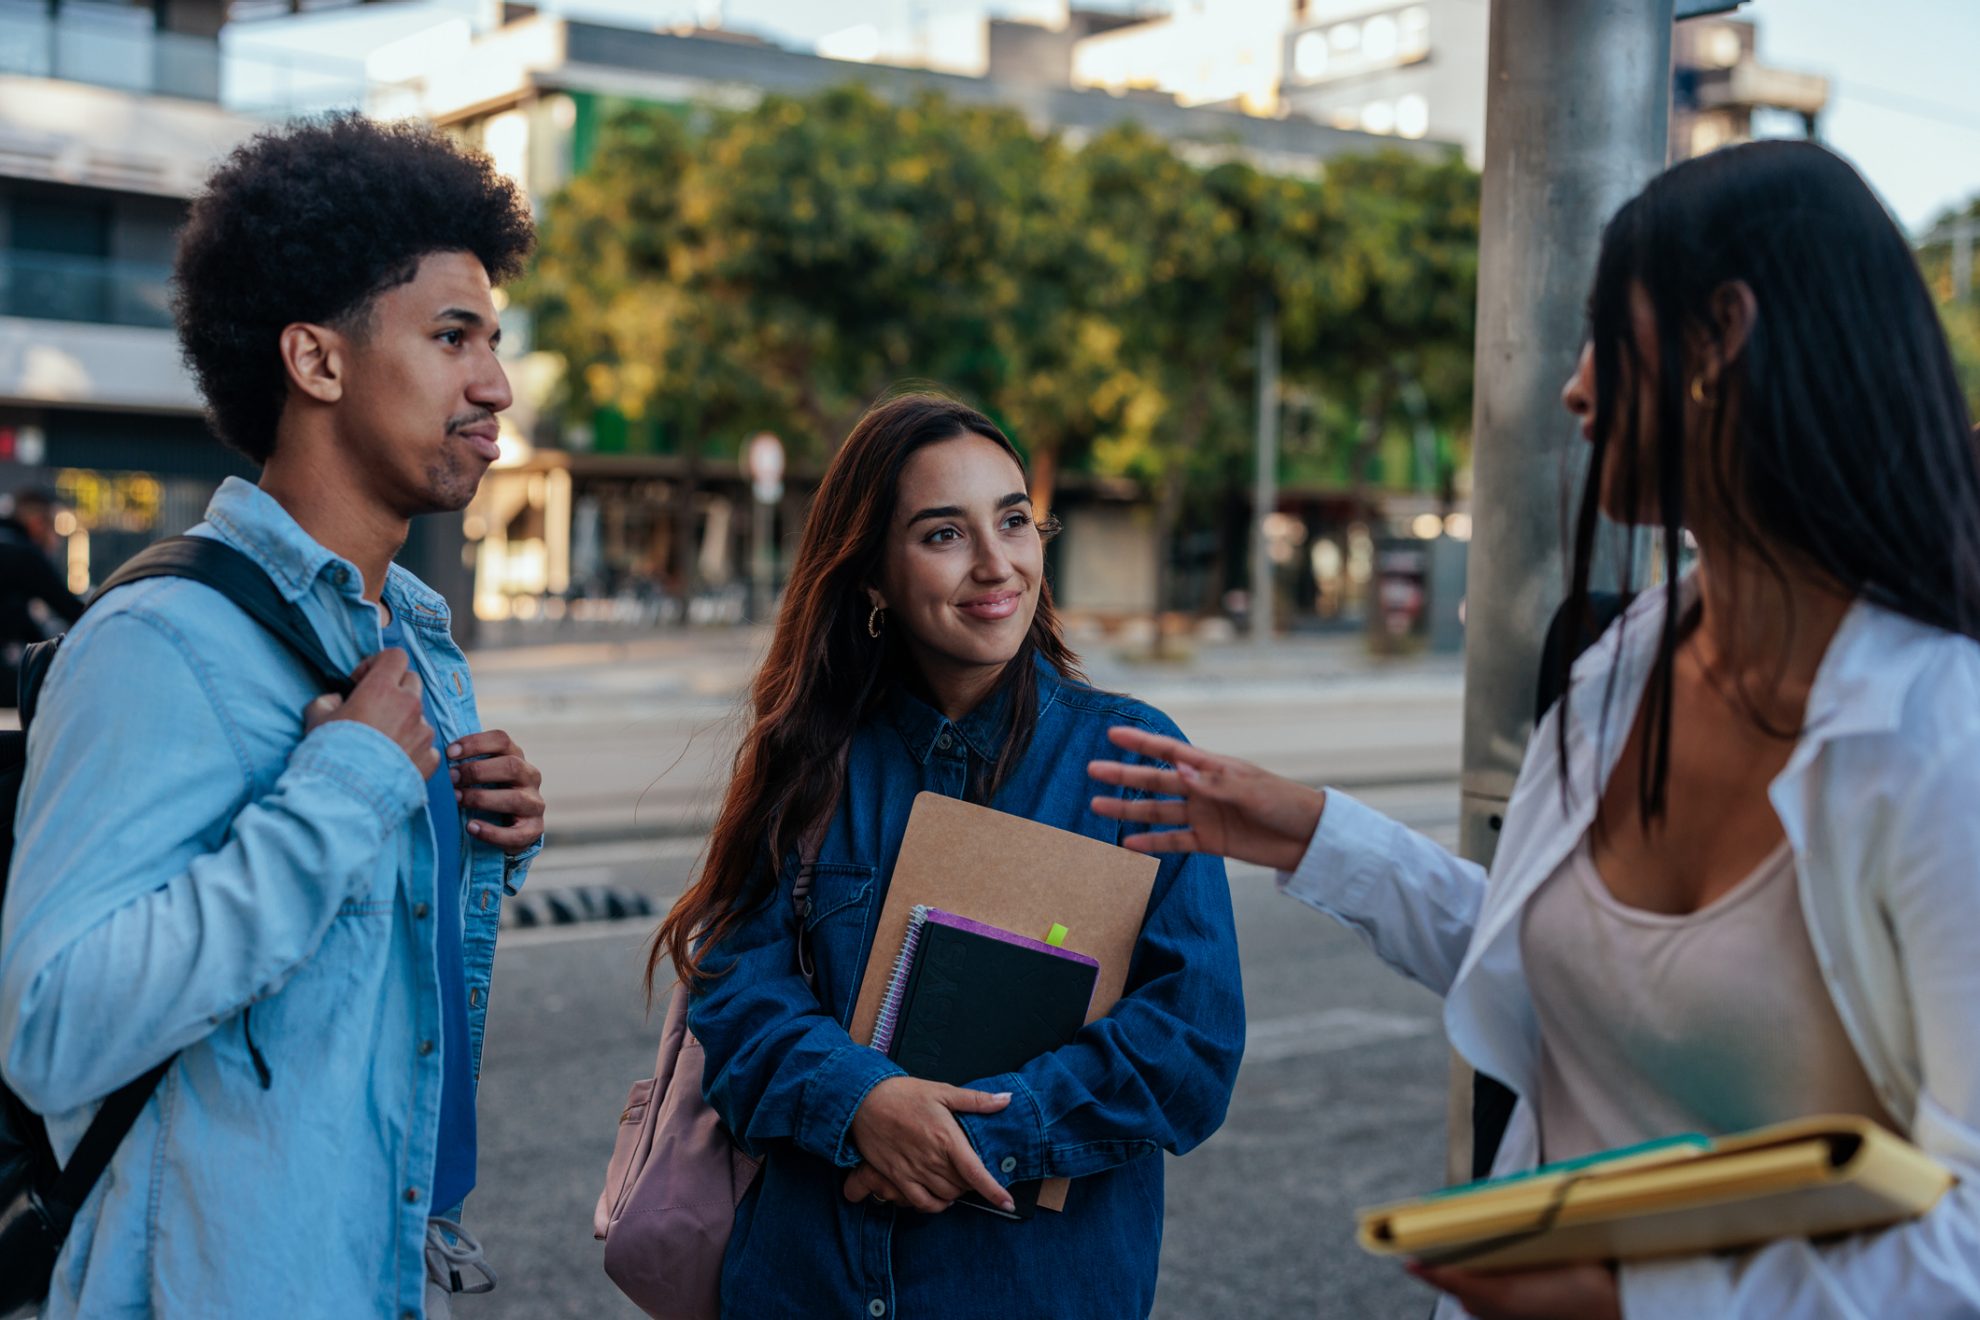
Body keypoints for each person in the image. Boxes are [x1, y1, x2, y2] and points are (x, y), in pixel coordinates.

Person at [1091, 140, 1980, 1319]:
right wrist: (1310, 832)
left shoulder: (1939, 739)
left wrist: (1637, 1296)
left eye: (1607, 333)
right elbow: (1570, 970)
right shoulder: (1628, 660)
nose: (1574, 387)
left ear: (1722, 335)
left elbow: (1962, 1234)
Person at [0, 115, 547, 1319]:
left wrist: (479, 840)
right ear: (317, 361)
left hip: (386, 1269)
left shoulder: (407, 635)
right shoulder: (159, 646)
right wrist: (347, 790)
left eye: (494, 341)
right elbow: (50, 1029)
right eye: (452, 337)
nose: (494, 384)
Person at [651, 392, 1245, 1319]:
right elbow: (735, 997)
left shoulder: (1132, 762)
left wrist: (974, 1138)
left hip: (1030, 1290)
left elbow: (1189, 1044)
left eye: (1013, 520)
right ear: (872, 576)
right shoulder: (810, 757)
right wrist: (857, 1105)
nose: (995, 563)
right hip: (811, 1286)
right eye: (942, 534)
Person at [0, 486, 86, 706]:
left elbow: (22, 622)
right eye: (55, 529)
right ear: (38, 524)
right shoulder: (22, 554)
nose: (57, 540)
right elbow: (72, 610)